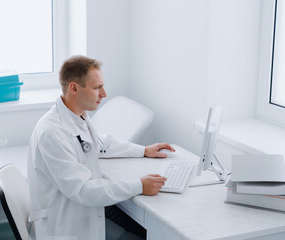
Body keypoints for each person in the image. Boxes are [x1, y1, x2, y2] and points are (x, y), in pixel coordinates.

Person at [27, 55, 175, 240]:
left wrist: (144, 150)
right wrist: (139, 185)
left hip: (83, 211)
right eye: (97, 88)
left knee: (142, 230)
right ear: (74, 88)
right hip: (65, 227)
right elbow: (83, 190)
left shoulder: (76, 115)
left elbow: (100, 144)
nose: (104, 94)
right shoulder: (52, 133)